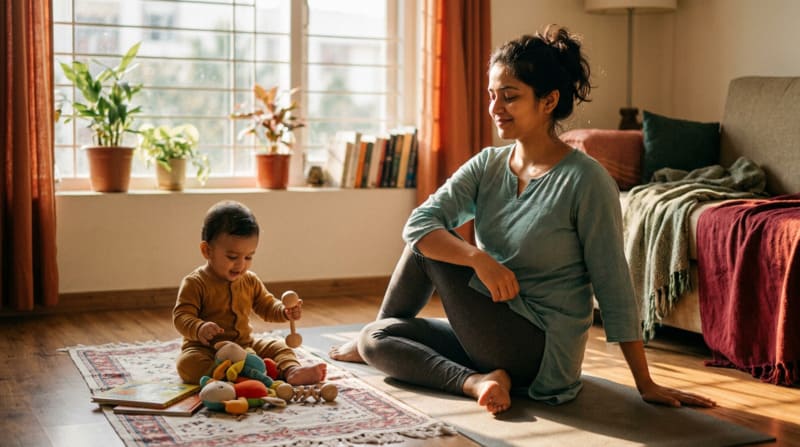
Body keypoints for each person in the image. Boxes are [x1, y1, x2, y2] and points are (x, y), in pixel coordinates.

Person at [330, 25, 716, 415]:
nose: (496, 108)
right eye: (492, 96)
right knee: (378, 336)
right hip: (489, 332)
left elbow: (613, 281)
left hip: (541, 348)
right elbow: (418, 223)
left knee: (426, 250)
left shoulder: (586, 180)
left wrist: (644, 382)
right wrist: (479, 259)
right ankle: (476, 380)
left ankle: (475, 373)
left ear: (548, 101)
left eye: (510, 97)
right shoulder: (488, 165)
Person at [174, 200, 326, 386]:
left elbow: (267, 306)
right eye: (232, 257)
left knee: (278, 346)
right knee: (187, 365)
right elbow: (181, 316)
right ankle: (231, 374)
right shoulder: (195, 283)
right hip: (206, 349)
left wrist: (284, 311)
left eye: (248, 257)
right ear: (207, 251)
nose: (241, 264)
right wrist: (198, 328)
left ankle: (291, 370)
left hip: (244, 347)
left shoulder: (250, 280)